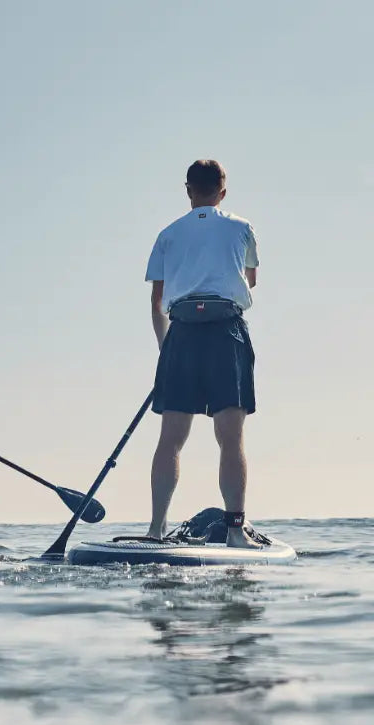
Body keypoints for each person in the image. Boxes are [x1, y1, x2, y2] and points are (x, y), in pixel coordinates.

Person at [144, 159, 265, 548]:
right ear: (223, 192)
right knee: (230, 437)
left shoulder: (167, 234)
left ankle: (156, 529)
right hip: (225, 331)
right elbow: (252, 281)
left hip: (181, 334)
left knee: (171, 438)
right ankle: (235, 531)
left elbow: (157, 300)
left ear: (188, 191)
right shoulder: (242, 227)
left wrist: (167, 349)